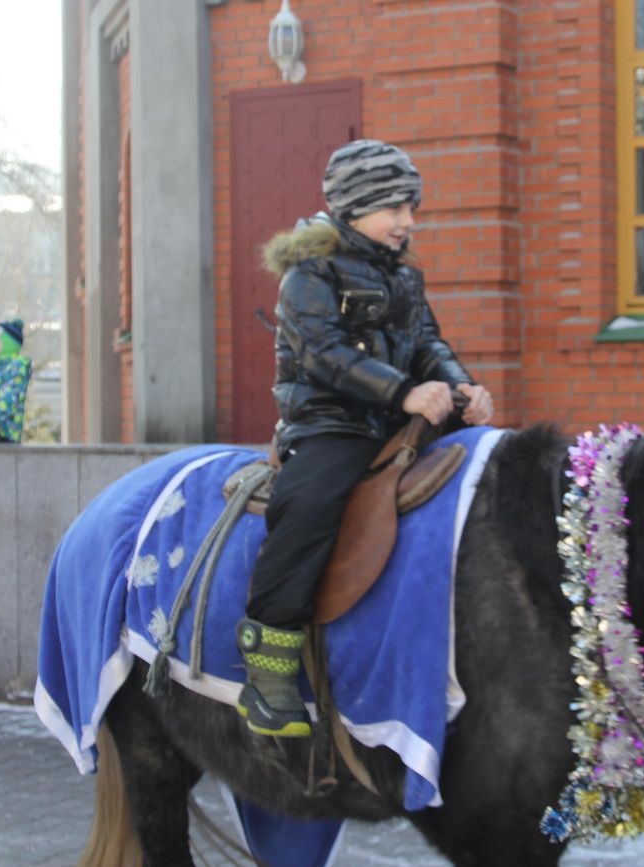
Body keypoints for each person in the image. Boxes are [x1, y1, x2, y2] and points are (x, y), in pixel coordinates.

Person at [234, 139, 494, 738]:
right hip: (331, 422)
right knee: (311, 504)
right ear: (353, 208)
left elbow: (428, 344)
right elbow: (323, 353)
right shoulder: (311, 272)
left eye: (412, 207)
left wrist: (461, 387)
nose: (408, 221)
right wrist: (402, 392)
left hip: (393, 422)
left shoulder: (402, 275)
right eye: (394, 208)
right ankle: (268, 659)